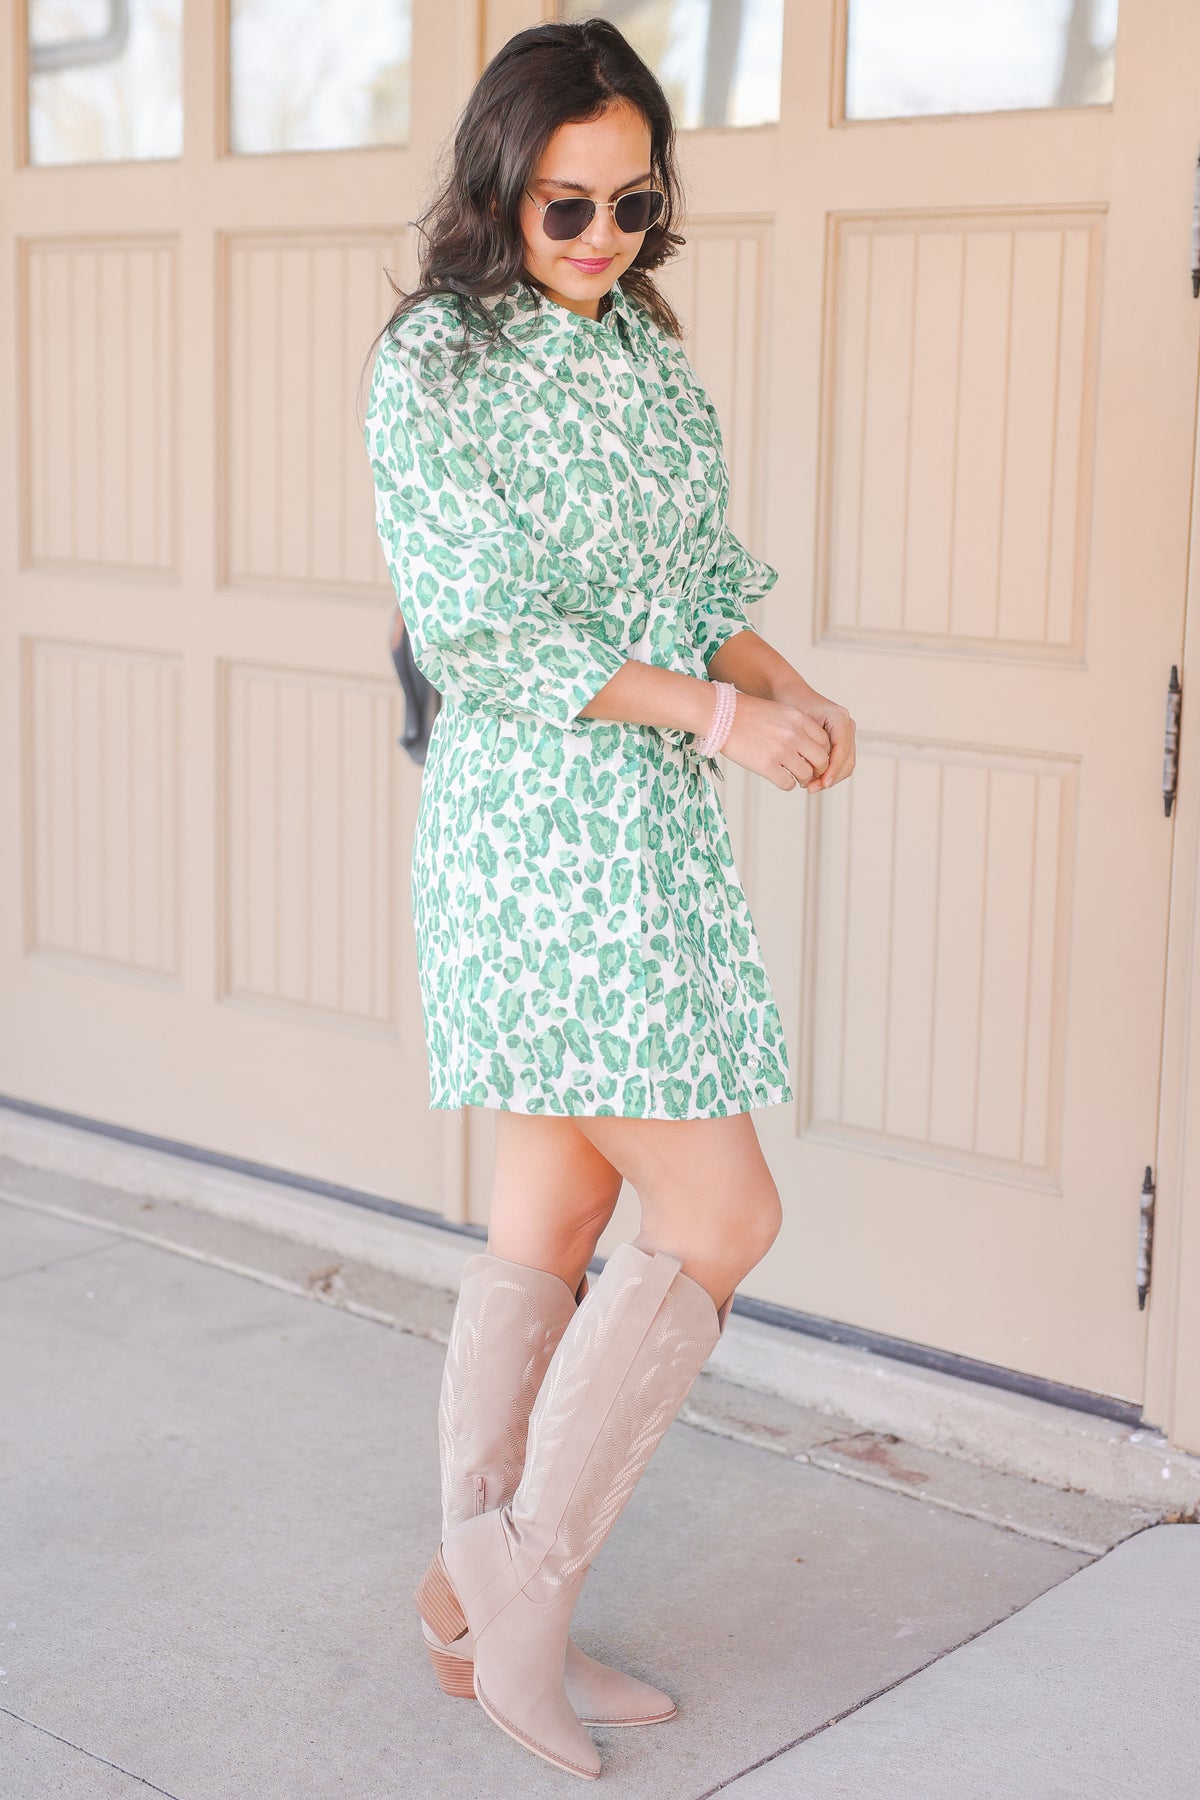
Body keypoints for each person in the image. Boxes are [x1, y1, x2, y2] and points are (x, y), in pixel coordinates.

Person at [363, 18, 856, 1781]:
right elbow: (489, 630)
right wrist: (725, 714)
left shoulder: (648, 362)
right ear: (500, 183)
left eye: (632, 203)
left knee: (549, 1226)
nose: (598, 238)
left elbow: (699, 581)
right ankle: (525, 1601)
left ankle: (457, 1606)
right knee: (721, 1212)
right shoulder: (436, 364)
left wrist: (784, 693)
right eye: (563, 205)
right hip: (534, 840)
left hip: (647, 829)